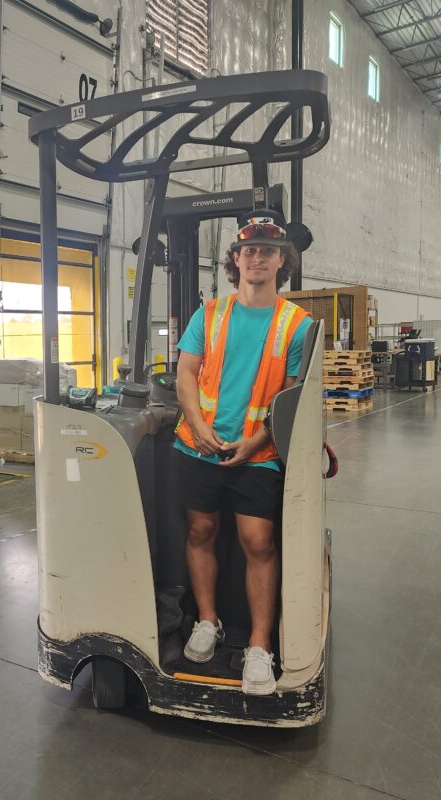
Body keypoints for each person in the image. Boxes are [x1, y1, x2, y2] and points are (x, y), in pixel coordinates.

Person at [173, 209, 312, 695]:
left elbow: (292, 392)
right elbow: (186, 373)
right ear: (236, 259)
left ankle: (259, 644)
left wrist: (257, 440)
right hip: (199, 446)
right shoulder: (208, 314)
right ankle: (207, 621)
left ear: (281, 261)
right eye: (249, 250)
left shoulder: (297, 324)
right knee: (201, 530)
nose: (257, 257)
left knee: (258, 542)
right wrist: (196, 423)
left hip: (259, 450)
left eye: (267, 251)